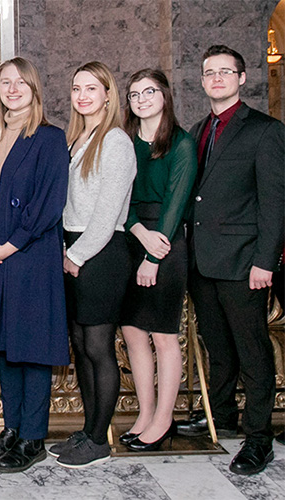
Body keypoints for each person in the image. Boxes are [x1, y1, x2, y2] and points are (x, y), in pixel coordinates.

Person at [177, 45, 284, 475]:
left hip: (245, 262)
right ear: (202, 81)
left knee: (252, 350)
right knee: (216, 345)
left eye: (226, 71)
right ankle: (221, 415)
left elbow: (275, 204)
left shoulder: (264, 130)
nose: (217, 78)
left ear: (243, 78)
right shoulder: (198, 129)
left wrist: (266, 261)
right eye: (209, 72)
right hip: (203, 260)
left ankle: (258, 438)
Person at [0, 57, 69, 474]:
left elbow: (49, 204)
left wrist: (7, 247)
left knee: (33, 349)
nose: (13, 88)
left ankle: (33, 437)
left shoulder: (49, 138)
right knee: (6, 345)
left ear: (34, 88)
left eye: (21, 82)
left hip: (31, 256)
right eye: (5, 82)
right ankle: (11, 428)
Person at [50, 61, 136, 468]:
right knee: (81, 346)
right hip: (74, 247)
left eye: (91, 88)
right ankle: (88, 430)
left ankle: (100, 438)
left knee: (99, 347)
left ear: (107, 95)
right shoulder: (76, 138)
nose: (82, 95)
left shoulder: (115, 140)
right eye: (76, 88)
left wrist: (76, 255)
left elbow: (107, 212)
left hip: (100, 252)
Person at [118, 69, 197, 453]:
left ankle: (164, 419)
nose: (142, 99)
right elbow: (121, 198)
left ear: (164, 95)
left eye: (149, 91)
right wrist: (137, 233)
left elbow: (175, 203)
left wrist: (152, 254)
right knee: (132, 331)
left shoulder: (181, 143)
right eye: (134, 94)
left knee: (164, 335)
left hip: (166, 244)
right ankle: (145, 413)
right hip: (132, 237)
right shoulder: (124, 142)